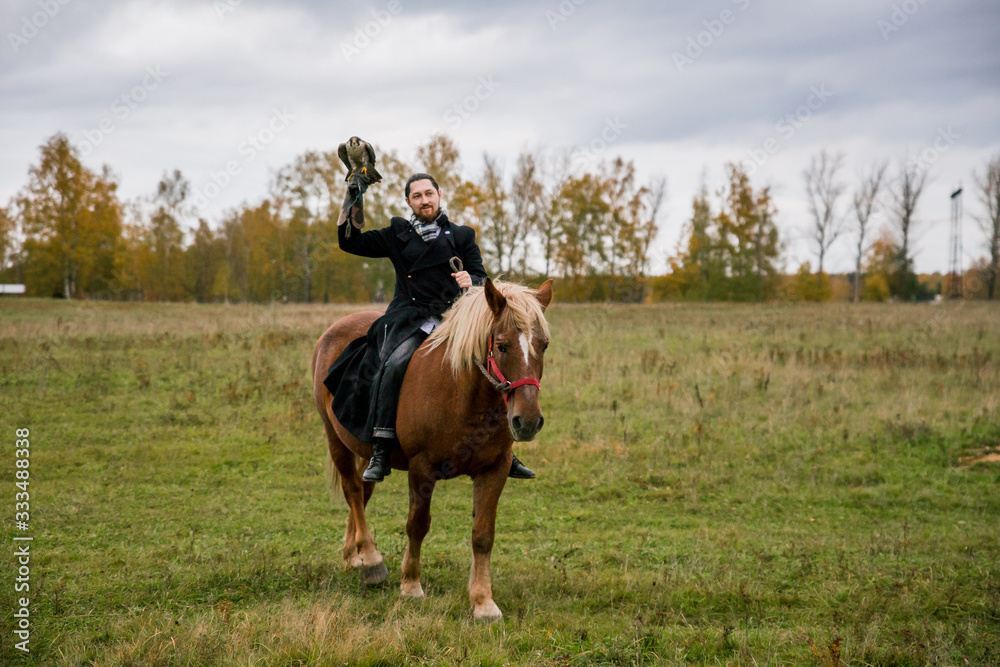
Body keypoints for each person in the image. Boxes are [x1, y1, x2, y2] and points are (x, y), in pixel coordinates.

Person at [324, 172, 536, 483]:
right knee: (394, 364)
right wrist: (355, 193)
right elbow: (350, 241)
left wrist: (472, 281)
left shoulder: (462, 235)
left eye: (429, 194)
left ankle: (504, 450)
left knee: (494, 368)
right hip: (408, 319)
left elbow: (480, 274)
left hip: (455, 321)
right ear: (408, 201)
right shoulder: (397, 233)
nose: (424, 200)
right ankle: (382, 447)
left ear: (439, 195)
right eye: (417, 196)